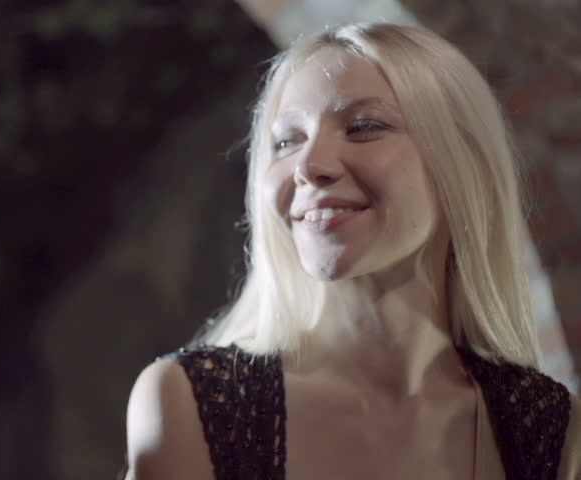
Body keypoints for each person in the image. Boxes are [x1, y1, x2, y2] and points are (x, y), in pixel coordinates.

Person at [126, 23, 581, 479]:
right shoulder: (193, 405)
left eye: (363, 127)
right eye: (287, 141)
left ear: (464, 165)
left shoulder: (553, 431)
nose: (308, 166)